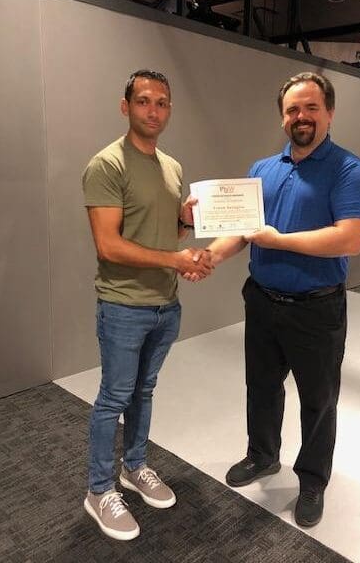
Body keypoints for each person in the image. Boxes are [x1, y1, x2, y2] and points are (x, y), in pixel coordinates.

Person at [193, 71, 360, 527]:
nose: (302, 116)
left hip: (317, 309)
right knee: (262, 388)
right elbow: (243, 234)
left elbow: (349, 239)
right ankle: (263, 455)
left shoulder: (349, 170)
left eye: (312, 107)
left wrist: (279, 240)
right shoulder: (261, 170)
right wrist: (207, 257)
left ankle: (312, 478)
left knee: (318, 399)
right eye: (293, 109)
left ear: (329, 113)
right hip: (263, 302)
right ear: (282, 117)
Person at [82, 69, 212, 540]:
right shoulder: (107, 165)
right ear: (125, 107)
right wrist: (177, 259)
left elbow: (166, 236)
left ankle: (134, 466)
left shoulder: (172, 167)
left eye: (161, 103)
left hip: (165, 305)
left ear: (169, 110)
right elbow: (109, 247)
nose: (152, 110)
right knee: (113, 398)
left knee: (144, 392)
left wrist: (182, 224)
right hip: (123, 305)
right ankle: (98, 489)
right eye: (143, 101)